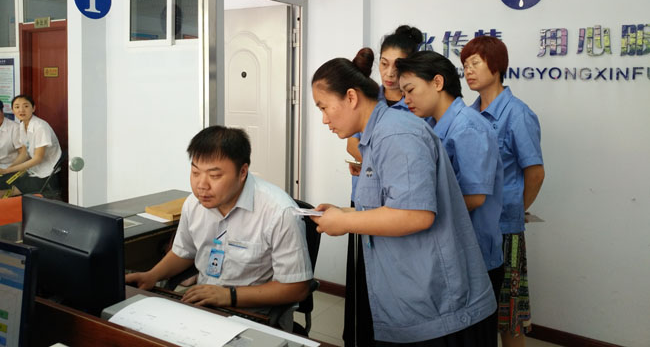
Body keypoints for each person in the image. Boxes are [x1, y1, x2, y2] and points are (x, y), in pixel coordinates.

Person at [312, 48, 496, 346]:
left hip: (438, 306)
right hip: (411, 297)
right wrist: (345, 213)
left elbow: (415, 215)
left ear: (351, 97)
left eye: (324, 107)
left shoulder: (396, 135)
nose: (323, 119)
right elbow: (391, 206)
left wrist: (345, 223)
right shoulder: (376, 137)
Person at [126, 126, 313, 331]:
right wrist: (151, 275)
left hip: (256, 317)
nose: (201, 185)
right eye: (195, 172)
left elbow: (297, 288)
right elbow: (184, 251)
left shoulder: (279, 212)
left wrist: (229, 295)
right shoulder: (193, 204)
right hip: (203, 307)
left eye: (214, 176)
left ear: (242, 172)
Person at [396, 50, 504, 344]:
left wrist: (419, 214)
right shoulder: (433, 126)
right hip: (449, 250)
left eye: (411, 90)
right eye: (403, 93)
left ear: (438, 82)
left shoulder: (468, 127)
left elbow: (475, 197)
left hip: (474, 255)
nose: (407, 99)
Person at [460, 36, 544, 347]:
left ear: (496, 67)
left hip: (505, 230)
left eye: (475, 63)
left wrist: (513, 210)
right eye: (465, 65)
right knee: (477, 310)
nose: (468, 71)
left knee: (509, 316)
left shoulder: (517, 114)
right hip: (472, 224)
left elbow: (535, 172)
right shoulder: (468, 114)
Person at [344, 25, 424, 347]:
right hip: (364, 203)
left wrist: (373, 161)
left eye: (398, 65)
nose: (389, 74)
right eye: (384, 64)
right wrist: (375, 162)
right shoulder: (368, 96)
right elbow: (353, 143)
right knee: (362, 283)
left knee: (394, 283)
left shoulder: (417, 105)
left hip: (397, 207)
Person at [0, 95, 62, 199]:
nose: (21, 110)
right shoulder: (22, 125)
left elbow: (38, 158)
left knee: (2, 191)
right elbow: (24, 154)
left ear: (33, 108)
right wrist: (9, 170)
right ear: (12, 110)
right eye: (17, 107)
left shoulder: (40, 127)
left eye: (26, 106)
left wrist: (7, 171)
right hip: (32, 170)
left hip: (45, 175)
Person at [0, 103, 23, 196]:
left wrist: (9, 169)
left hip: (11, 168)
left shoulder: (14, 128)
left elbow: (23, 154)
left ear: (2, 111)